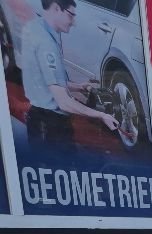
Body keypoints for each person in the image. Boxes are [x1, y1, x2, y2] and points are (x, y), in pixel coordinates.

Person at [19, 0, 118, 150]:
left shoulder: (36, 28)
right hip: (50, 128)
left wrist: (78, 87)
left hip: (40, 120)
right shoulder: (47, 44)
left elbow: (46, 78)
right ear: (56, 8)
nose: (74, 23)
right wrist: (101, 115)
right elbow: (64, 102)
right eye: (71, 15)